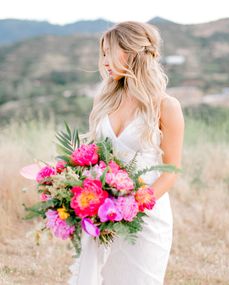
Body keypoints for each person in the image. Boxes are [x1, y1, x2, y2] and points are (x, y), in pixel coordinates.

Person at [68, 21, 184, 285]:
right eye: (103, 54)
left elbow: (171, 171)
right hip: (102, 216)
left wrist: (130, 207)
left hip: (145, 220)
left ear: (131, 51)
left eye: (110, 52)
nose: (105, 61)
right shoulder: (105, 99)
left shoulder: (166, 106)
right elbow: (94, 156)